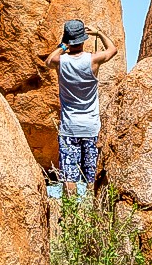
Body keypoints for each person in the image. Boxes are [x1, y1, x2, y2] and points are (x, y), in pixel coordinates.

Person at [43, 18, 118, 197]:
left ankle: (70, 214)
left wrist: (62, 46)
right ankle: (93, 213)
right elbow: (112, 50)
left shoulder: (61, 62)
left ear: (68, 40)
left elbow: (48, 61)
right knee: (91, 175)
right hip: (91, 128)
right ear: (83, 40)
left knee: (69, 176)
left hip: (69, 128)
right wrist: (99, 33)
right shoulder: (93, 60)